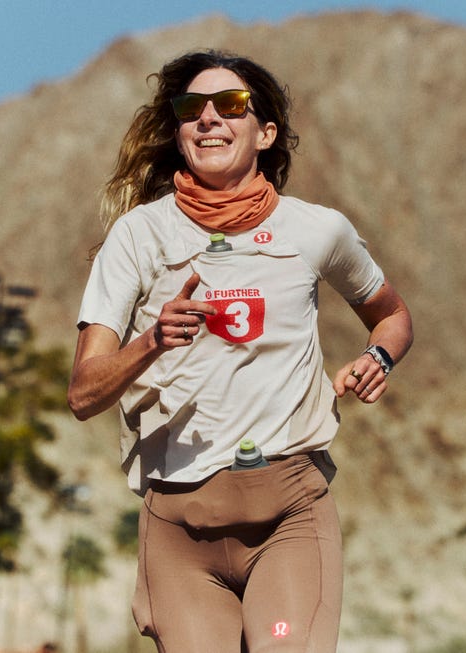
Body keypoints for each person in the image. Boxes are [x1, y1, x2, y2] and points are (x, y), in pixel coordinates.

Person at [68, 49, 413, 652]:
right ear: (177, 133)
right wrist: (151, 342)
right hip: (179, 533)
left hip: (288, 520)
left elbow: (392, 316)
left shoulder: (317, 230)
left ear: (265, 133)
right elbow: (83, 391)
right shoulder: (138, 237)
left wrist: (377, 358)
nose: (208, 119)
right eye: (190, 109)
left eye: (229, 106)